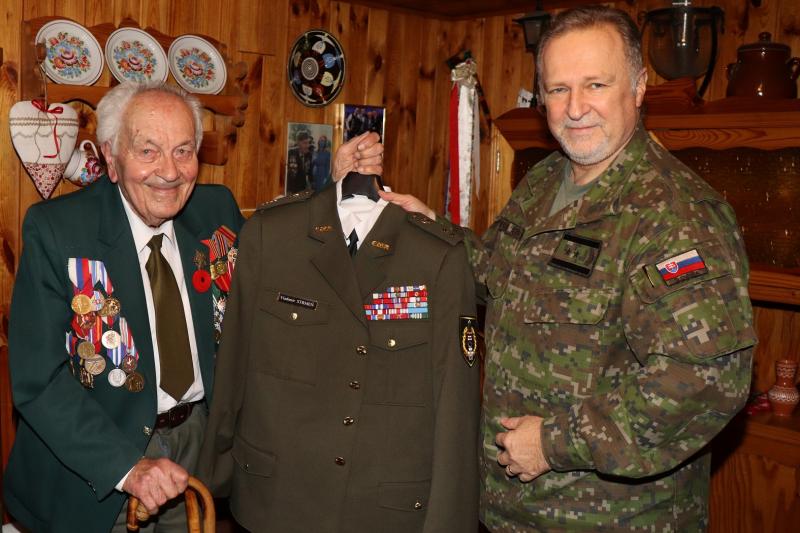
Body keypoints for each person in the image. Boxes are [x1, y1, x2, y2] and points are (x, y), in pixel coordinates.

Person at [380, 6, 756, 531]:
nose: (575, 108)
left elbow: (704, 381)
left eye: (595, 84)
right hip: (511, 509)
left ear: (638, 88)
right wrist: (430, 228)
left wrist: (554, 443)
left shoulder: (675, 214)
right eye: (558, 89)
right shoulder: (544, 180)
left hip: (612, 518)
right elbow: (493, 273)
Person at [3, 82, 383, 533]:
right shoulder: (58, 230)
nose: (169, 171)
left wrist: (333, 186)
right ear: (111, 157)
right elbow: (39, 381)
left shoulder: (214, 210)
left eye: (183, 151)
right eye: (148, 151)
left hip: (195, 445)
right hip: (95, 464)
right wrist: (128, 467)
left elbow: (281, 250)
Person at [197, 168, 480, 530]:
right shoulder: (271, 232)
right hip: (275, 497)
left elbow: (456, 405)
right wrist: (213, 472)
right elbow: (233, 362)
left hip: (379, 506)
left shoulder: (435, 255)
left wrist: (449, 520)